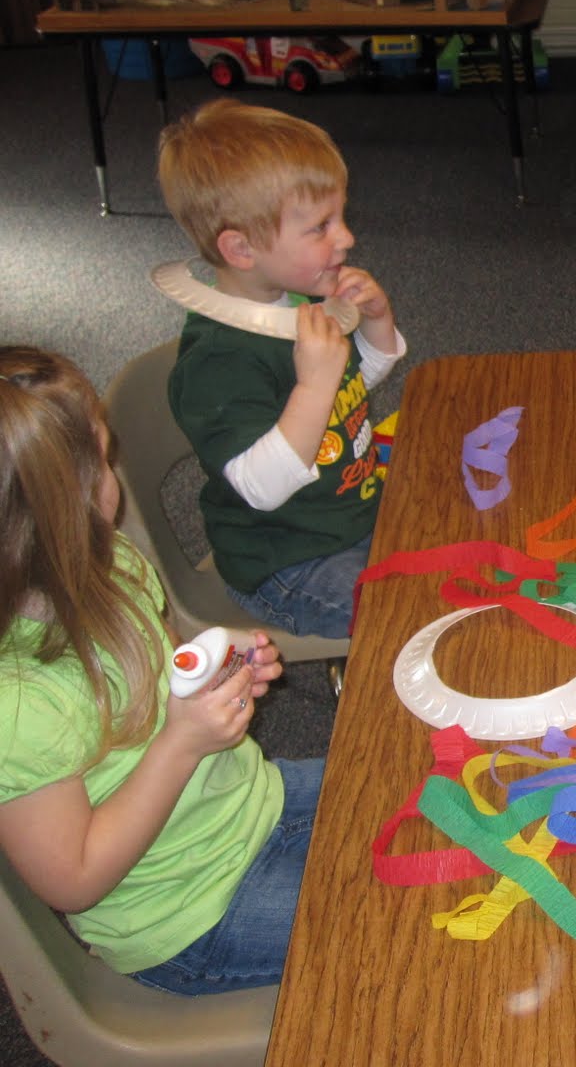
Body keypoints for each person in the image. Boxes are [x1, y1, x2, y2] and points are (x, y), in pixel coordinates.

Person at [0, 345, 321, 994]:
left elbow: (164, 663)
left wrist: (215, 669)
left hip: (248, 803)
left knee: (414, 791)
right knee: (401, 913)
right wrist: (182, 744)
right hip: (191, 913)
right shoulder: (20, 708)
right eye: (102, 461)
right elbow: (74, 879)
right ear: (60, 510)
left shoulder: (109, 562)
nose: (112, 476)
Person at [158, 99, 405, 639]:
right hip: (288, 562)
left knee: (457, 545)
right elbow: (262, 488)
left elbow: (354, 387)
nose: (346, 238)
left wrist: (376, 322)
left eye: (340, 217)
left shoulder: (300, 299)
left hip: (352, 514)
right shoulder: (218, 361)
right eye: (321, 227)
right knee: (409, 616)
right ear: (241, 249)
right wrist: (314, 384)